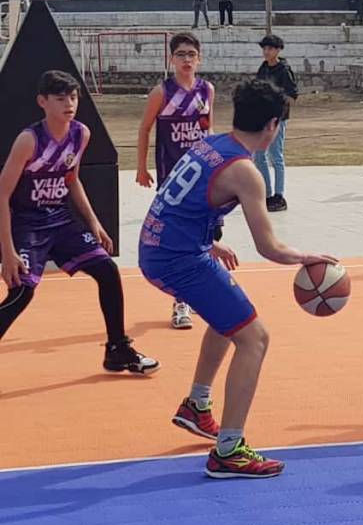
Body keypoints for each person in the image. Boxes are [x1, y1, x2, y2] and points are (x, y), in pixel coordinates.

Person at [139, 79, 336, 478]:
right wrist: (307, 257)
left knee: (230, 319)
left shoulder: (209, 143)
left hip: (165, 247)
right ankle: (229, 449)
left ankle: (197, 405)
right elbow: (270, 248)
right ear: (272, 126)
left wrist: (207, 244)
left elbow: (181, 202)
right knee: (255, 337)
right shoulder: (246, 171)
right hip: (176, 258)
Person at [0, 70, 158, 374]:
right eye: (60, 99)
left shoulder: (80, 134)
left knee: (107, 271)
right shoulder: (29, 140)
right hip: (27, 223)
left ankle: (118, 349)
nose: (69, 104)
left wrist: (94, 222)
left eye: (73, 97)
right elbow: (2, 195)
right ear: (42, 102)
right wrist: (7, 251)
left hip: (60, 219)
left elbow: (71, 180)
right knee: (22, 292)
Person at [136, 32, 216, 330]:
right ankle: (181, 301)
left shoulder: (207, 90)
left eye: (191, 54)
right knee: (179, 241)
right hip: (173, 181)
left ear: (199, 57)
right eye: (180, 54)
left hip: (204, 179)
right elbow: (144, 130)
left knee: (207, 238)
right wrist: (141, 168)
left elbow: (210, 132)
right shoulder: (162, 92)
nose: (186, 59)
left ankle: (201, 296)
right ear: (171, 58)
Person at [256, 34, 299, 212]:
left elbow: (292, 95)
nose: (267, 52)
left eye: (270, 49)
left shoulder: (284, 70)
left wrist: (276, 103)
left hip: (278, 118)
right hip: (262, 117)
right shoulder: (263, 68)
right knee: (259, 156)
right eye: (265, 48)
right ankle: (267, 194)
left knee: (276, 156)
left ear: (278, 50)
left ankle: (279, 195)